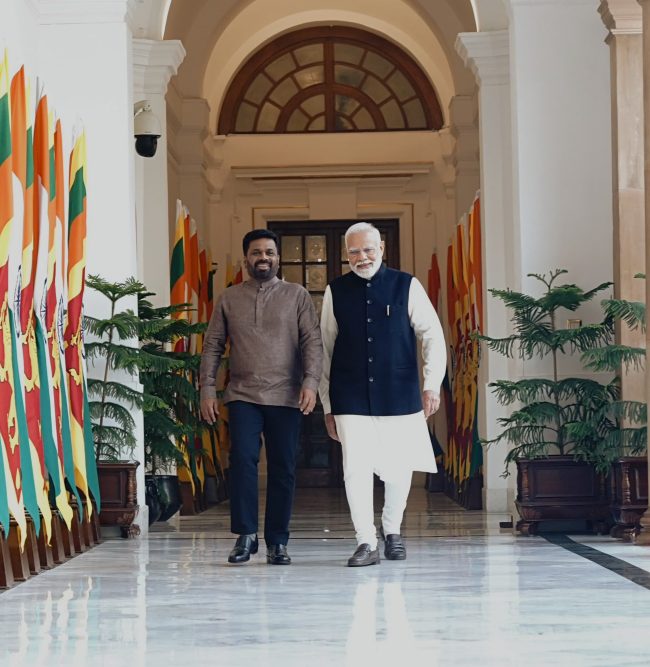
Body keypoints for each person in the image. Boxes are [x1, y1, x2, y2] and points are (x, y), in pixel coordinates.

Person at [319, 222, 446, 567]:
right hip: (349, 395)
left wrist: (431, 384)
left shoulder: (407, 285)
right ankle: (365, 541)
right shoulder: (335, 291)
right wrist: (327, 404)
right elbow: (325, 350)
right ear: (346, 255)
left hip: (399, 392)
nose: (362, 257)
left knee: (399, 468)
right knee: (355, 469)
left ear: (382, 249)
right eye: (354, 252)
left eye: (368, 249)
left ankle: (392, 531)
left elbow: (432, 336)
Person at [200, 229, 322, 565]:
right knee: (242, 461)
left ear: (278, 258)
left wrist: (311, 382)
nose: (263, 258)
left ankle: (277, 542)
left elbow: (312, 341)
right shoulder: (229, 298)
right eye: (256, 253)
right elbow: (212, 346)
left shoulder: (297, 295)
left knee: (283, 468)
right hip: (243, 393)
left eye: (269, 252)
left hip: (287, 395)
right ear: (246, 259)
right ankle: (246, 535)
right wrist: (207, 389)